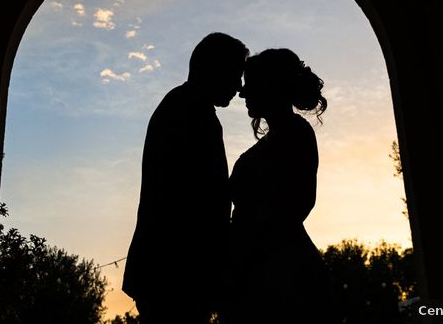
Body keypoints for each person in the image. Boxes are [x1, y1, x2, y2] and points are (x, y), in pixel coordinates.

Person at [123, 32, 249, 323]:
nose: (239, 87)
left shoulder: (184, 105)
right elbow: (197, 200)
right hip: (177, 272)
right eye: (235, 75)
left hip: (171, 271)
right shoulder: (190, 110)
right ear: (216, 69)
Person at [224, 48, 336, 323]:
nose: (242, 93)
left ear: (269, 86)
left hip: (282, 277)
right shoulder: (281, 137)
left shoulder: (296, 134)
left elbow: (298, 204)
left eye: (249, 85)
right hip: (261, 272)